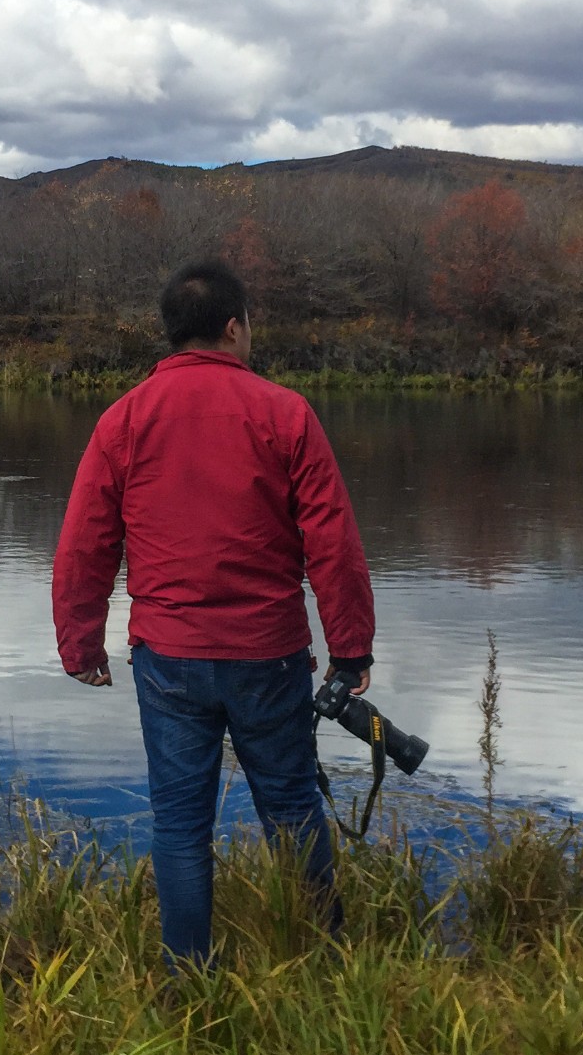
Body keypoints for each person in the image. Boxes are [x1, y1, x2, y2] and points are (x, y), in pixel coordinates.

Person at [51, 256, 376, 967]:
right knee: (292, 808)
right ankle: (323, 961)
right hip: (271, 654)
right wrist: (351, 651)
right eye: (249, 325)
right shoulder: (285, 413)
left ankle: (186, 978)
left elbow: (84, 545)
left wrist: (81, 646)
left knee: (179, 825)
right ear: (234, 327)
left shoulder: (124, 419)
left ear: (172, 333)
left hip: (169, 658)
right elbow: (333, 544)